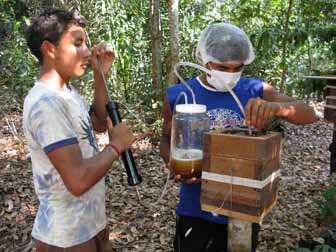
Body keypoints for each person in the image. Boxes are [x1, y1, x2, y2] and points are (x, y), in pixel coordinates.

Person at [159, 23, 316, 252]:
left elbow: (309, 114)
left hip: (243, 210)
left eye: (237, 68)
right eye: (223, 67)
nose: (230, 75)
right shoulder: (180, 94)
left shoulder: (254, 89)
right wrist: (174, 165)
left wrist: (275, 108)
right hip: (195, 210)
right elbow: (166, 140)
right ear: (204, 60)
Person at [23, 8, 135, 251]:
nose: (86, 51)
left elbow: (94, 124)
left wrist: (99, 75)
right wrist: (116, 146)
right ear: (50, 49)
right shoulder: (46, 104)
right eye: (77, 43)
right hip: (66, 237)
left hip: (90, 225)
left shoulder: (65, 93)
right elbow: (77, 179)